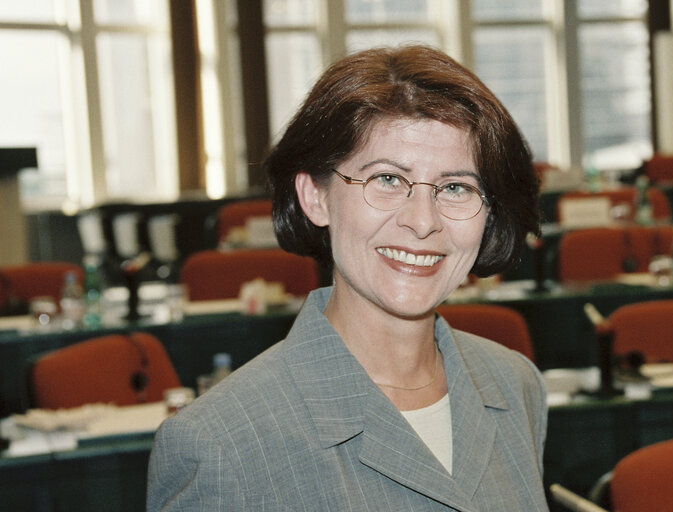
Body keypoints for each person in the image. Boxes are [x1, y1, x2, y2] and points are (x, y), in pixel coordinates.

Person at [147, 44, 548, 511]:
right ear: (315, 197)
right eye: (386, 179)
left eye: (456, 187)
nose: (422, 222)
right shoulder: (219, 443)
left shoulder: (515, 384)